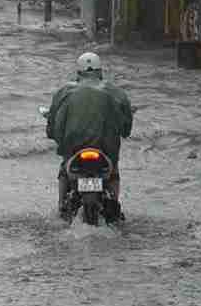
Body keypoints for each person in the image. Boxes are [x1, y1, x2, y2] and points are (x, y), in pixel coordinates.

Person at [44, 52, 135, 217]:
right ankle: (114, 202)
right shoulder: (116, 92)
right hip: (106, 152)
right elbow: (126, 127)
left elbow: (52, 126)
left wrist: (55, 136)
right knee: (113, 173)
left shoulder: (65, 91)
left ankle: (61, 206)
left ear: (78, 73)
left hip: (74, 150)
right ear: (100, 72)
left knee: (65, 170)